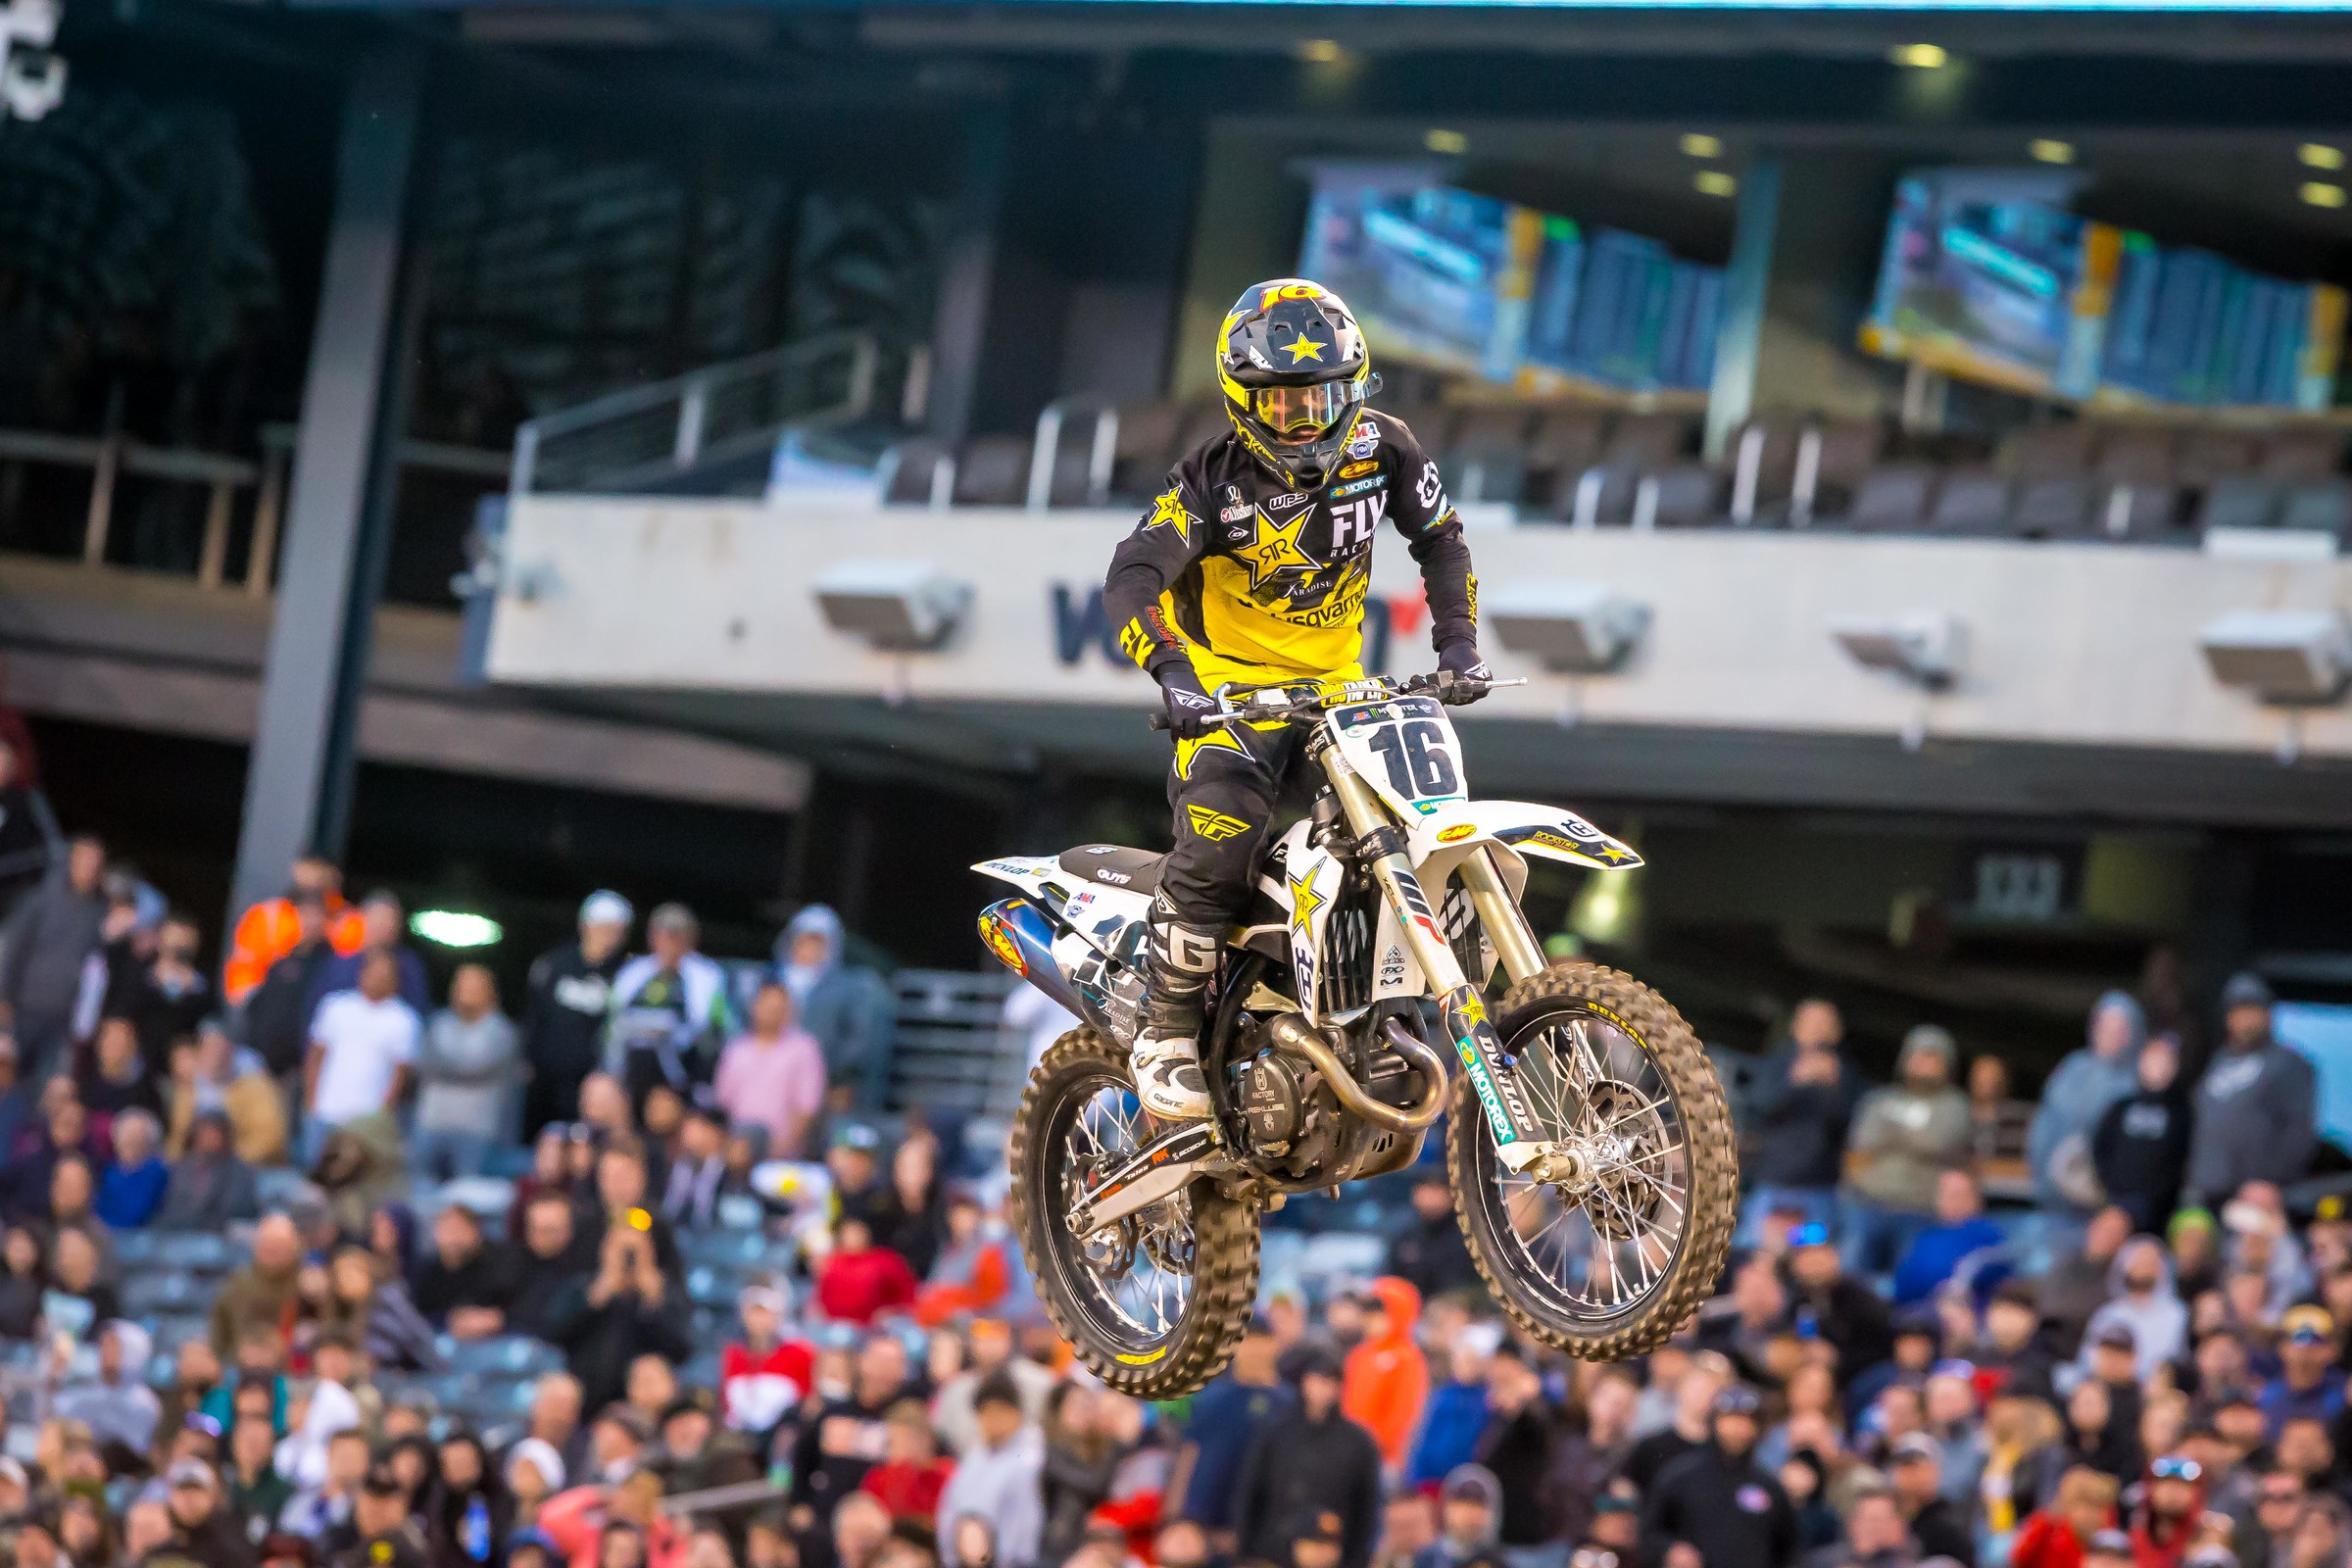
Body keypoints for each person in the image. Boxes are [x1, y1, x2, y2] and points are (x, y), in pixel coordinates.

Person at [1098, 279, 1482, 1118]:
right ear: (1243, 399)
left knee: (1419, 826)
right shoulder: (1207, 478)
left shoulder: (1388, 447)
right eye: (1284, 404)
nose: (1308, 420)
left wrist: (1457, 646)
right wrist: (1173, 674)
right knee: (1223, 842)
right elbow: (1131, 580)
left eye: (1323, 398)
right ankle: (1165, 1027)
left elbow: (1442, 543)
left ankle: (1384, 1003)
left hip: (1344, 693)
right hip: (1232, 696)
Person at [1231, 1347, 1385, 1568]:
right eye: (1318, 1379)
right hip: (1273, 1551)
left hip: (1333, 1552)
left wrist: (1358, 1558)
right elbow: (1251, 1491)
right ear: (1304, 1382)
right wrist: (1246, 1549)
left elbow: (1367, 1506)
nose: (1324, 1389)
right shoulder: (1276, 1433)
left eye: (1331, 1381)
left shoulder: (1358, 1441)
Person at [1842, 1024, 1972, 1277]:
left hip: (1920, 1209)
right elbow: (1863, 1140)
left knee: (1909, 1280)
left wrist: (1891, 1134)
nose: (1923, 1063)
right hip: (1870, 1203)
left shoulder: (1954, 1104)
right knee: (1851, 1275)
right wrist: (1914, 1138)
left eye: (1932, 1056)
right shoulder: (1880, 1098)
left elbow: (1938, 1141)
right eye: (1918, 1055)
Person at [2187, 974, 2319, 1204]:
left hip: (2257, 1194)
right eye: (2239, 1011)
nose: (2246, 1019)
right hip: (2206, 1190)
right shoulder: (2216, 1061)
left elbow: (2299, 1131)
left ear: (2267, 1014)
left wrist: (2273, 1180)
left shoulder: (2288, 1063)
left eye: (2253, 1010)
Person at [1639, 1385, 1796, 1568]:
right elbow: (1648, 1534)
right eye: (1730, 1418)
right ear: (1714, 1421)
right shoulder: (1680, 1476)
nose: (1738, 1427)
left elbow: (1788, 1547)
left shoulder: (1769, 1486)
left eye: (1747, 1420)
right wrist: (1670, 1549)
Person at [543, 1219, 690, 1414]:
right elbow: (552, 1332)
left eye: (635, 1251)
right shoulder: (582, 1288)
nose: (627, 1259)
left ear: (650, 1253)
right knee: (560, 1390)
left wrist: (651, 1304)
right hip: (586, 1389)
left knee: (651, 1373)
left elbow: (681, 1349)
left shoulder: (664, 1294)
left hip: (640, 1395)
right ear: (605, 1250)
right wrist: (596, 1298)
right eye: (621, 1250)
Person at [1743, 998, 1858, 1241]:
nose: (1817, 1029)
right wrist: (1796, 1081)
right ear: (1796, 1026)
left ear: (1837, 1032)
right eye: (1811, 1022)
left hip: (1819, 1188)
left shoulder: (1843, 1072)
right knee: (1754, 1248)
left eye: (1824, 1023)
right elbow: (1760, 1107)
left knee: (1808, 1255)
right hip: (1773, 1181)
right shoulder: (1778, 1062)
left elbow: (1847, 1124)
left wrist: (1833, 1088)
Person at [2031, 992, 2148, 1224]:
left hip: (2104, 1205)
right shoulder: (2073, 1068)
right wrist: (2040, 1176)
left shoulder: (2139, 1082)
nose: (2111, 1036)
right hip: (2054, 1197)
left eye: (2120, 1029)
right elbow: (2044, 1123)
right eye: (2105, 1027)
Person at [521, 894, 633, 1138]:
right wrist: (527, 1057)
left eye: (618, 931)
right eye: (605, 929)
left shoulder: (625, 975)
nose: (612, 937)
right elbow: (533, 1014)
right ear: (586, 926)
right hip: (546, 1078)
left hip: (588, 1083)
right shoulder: (554, 964)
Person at [607, 905, 732, 1111]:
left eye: (676, 935)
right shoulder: (634, 971)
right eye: (663, 934)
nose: (669, 941)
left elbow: (714, 1028)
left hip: (684, 1068)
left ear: (690, 938)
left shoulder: (708, 975)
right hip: (634, 1066)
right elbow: (613, 1020)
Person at [0, 833, 105, 1077]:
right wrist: (5, 996)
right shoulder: (41, 898)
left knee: (43, 1085)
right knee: (7, 1074)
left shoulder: (98, 910)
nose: (90, 868)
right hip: (25, 1008)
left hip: (63, 1018)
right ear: (72, 860)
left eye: (96, 862)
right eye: (86, 860)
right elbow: (15, 947)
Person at [305, 950, 421, 1165]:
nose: (378, 978)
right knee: (316, 1176)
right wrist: (312, 1102)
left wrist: (381, 1117)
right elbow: (315, 1056)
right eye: (374, 972)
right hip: (325, 1111)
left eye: (385, 975)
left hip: (365, 1120)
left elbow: (400, 1076)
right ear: (362, 973)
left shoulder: (403, 1019)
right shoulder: (335, 1006)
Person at [775, 906, 896, 1113]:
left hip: (827, 1082)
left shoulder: (848, 988)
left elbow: (857, 1039)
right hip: (774, 1079)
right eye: (804, 939)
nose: (808, 948)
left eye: (817, 941)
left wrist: (826, 1071)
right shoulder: (773, 981)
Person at [416, 964, 520, 1182]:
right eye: (463, 986)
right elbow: (424, 1064)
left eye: (475, 987)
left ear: (490, 992)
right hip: (432, 1123)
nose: (467, 992)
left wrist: (447, 1067)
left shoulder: (502, 1031)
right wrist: (461, 1068)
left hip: (476, 1129)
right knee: (419, 1189)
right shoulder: (438, 1024)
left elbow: (477, 1068)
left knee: (467, 1194)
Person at [222, 856, 365, 1006]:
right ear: (297, 868)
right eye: (309, 867)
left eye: (320, 868)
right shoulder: (267, 915)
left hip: (326, 1008)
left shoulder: (351, 921)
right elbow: (243, 970)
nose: (313, 876)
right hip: (272, 1006)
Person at [2090, 1033, 2195, 1232]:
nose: (2159, 1065)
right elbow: (2101, 1148)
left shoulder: (2182, 1111)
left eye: (2166, 1059)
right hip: (2114, 1202)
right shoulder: (2121, 1106)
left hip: (2159, 1213)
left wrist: (2160, 1196)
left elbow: (2183, 1157)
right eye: (2154, 1058)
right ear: (2141, 1061)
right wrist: (2110, 1188)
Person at [711, 980, 826, 1159]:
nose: (772, 1013)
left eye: (779, 1008)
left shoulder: (804, 1048)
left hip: (782, 1151)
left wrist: (784, 1147)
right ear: (754, 1006)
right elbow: (723, 1100)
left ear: (789, 1012)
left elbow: (808, 1105)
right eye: (767, 1006)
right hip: (736, 1148)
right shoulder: (737, 1048)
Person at [302, 891, 432, 1027]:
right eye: (378, 918)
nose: (384, 925)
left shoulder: (409, 967)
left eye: (390, 919)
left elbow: (417, 1014)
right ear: (364, 918)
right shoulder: (341, 963)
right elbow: (315, 1011)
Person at [169, 1020, 288, 1166]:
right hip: (198, 1172)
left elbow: (270, 1139)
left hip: (249, 1168)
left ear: (231, 1051)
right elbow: (178, 1138)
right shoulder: (188, 1091)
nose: (216, 1056)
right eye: (209, 1049)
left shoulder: (256, 1086)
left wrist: (229, 1164)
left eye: (221, 1048)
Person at [1342, 1277, 1430, 1472]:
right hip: (1350, 1453)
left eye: (1379, 1312)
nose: (1372, 1318)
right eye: (1369, 1312)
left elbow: (1404, 1415)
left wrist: (1374, 1444)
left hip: (1385, 1459)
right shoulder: (1359, 1355)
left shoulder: (1407, 1357)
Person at [1892, 1168, 2008, 1306]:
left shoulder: (1988, 1235)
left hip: (1966, 1313)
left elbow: (1993, 1274)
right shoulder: (1927, 1236)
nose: (1954, 1202)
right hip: (1914, 1311)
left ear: (1976, 1200)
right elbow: (1904, 1280)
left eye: (1959, 1195)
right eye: (1947, 1195)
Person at [1387, 1172, 1478, 1303]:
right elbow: (1391, 1281)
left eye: (1435, 1189)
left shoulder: (1467, 1235)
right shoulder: (1404, 1235)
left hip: (1457, 1311)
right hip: (1410, 1311)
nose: (1428, 1196)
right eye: (1423, 1188)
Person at [1885, 1433, 1973, 1564]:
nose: (1909, 1474)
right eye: (1903, 1466)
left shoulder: (1947, 1528)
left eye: (1915, 1466)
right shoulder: (1890, 1521)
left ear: (1935, 1470)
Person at [2009, 1466, 2120, 1568]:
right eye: (2085, 1505)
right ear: (2068, 1506)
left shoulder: (2109, 1540)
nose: (2092, 1515)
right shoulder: (2047, 1529)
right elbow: (2019, 1557)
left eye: (2098, 1507)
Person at [93, 1107, 168, 1229]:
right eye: (127, 1137)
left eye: (138, 1138)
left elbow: (137, 1212)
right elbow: (98, 1209)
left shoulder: (156, 1172)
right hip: (106, 1234)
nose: (132, 1142)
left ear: (148, 1142)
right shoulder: (109, 1172)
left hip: (143, 1236)